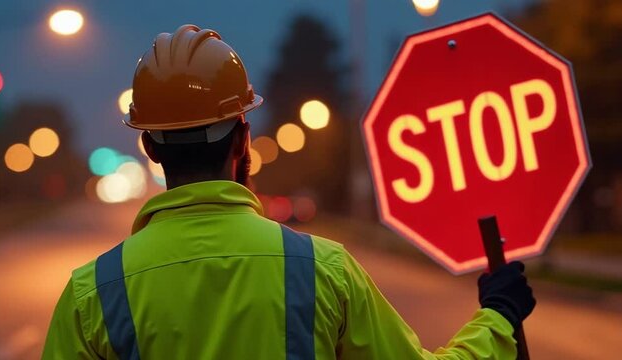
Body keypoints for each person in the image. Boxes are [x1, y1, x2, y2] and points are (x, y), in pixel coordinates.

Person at [42, 25, 535, 359]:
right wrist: (499, 316)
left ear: (149, 146)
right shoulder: (323, 271)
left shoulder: (93, 294)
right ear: (242, 138)